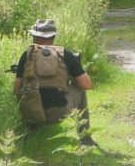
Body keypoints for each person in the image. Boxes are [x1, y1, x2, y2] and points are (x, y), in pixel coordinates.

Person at [13, 19, 99, 147]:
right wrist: (69, 77)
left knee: (28, 94)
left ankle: (31, 132)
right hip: (58, 113)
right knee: (80, 89)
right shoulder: (65, 55)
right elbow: (87, 85)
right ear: (53, 36)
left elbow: (16, 90)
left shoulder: (27, 55)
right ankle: (85, 139)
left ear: (36, 37)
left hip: (32, 114)